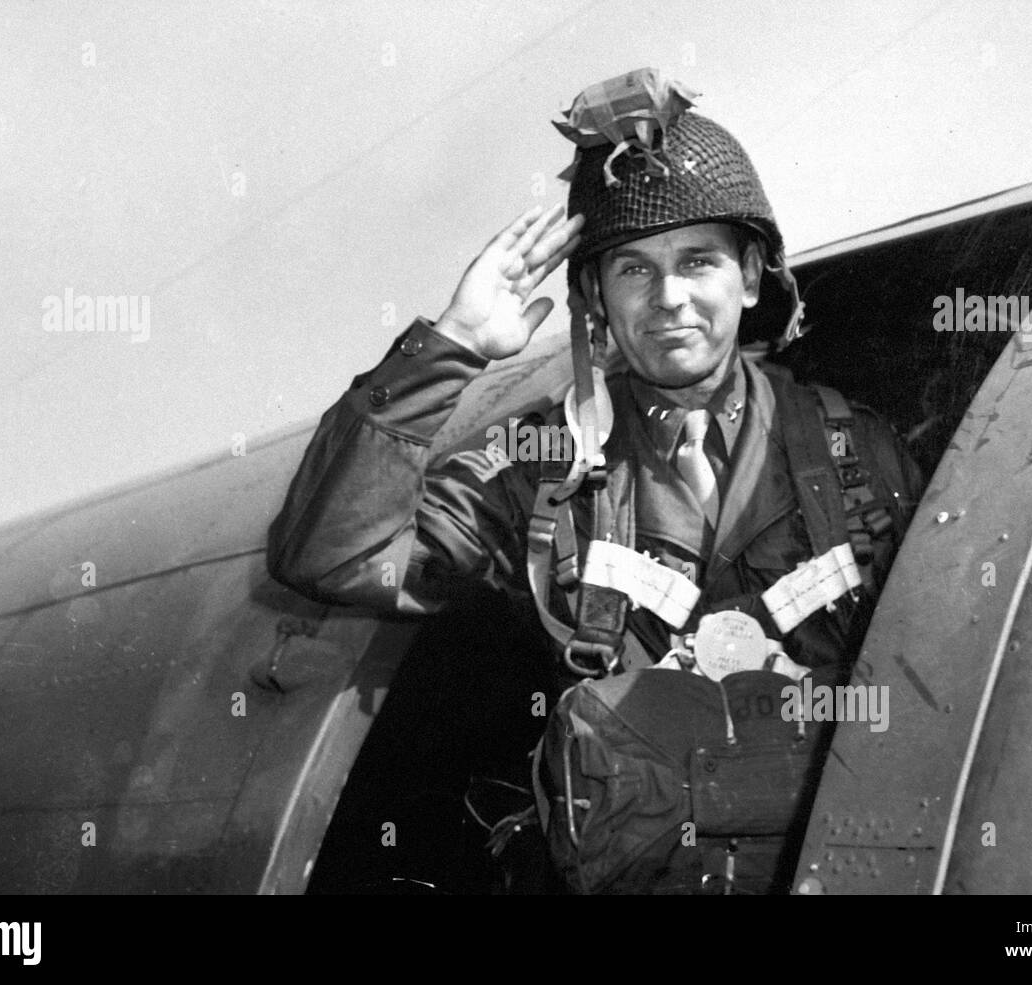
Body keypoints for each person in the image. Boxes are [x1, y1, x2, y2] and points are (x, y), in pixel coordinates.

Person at [268, 69, 925, 893]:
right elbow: (329, 556)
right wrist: (452, 345)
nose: (671, 298)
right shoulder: (539, 462)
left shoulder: (857, 452)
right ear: (595, 298)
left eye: (699, 260)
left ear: (751, 276)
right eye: (634, 271)